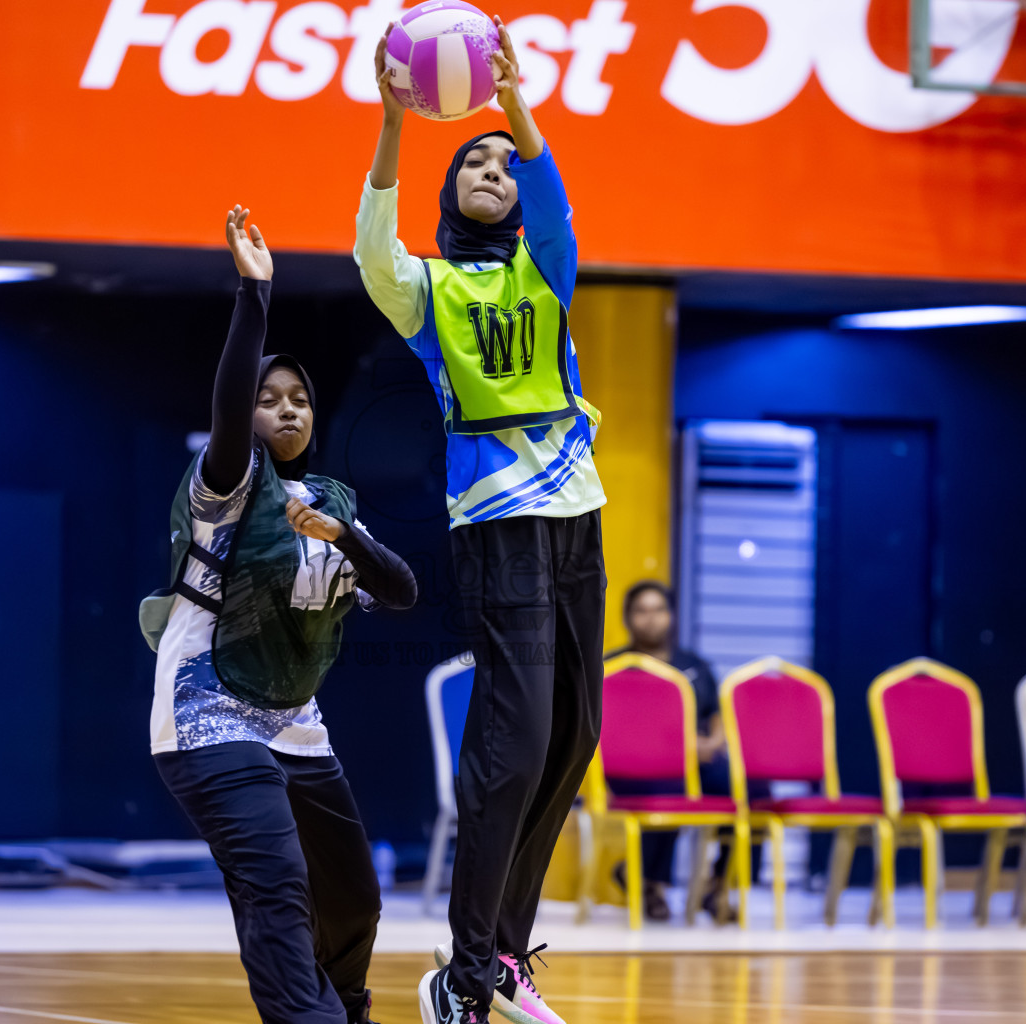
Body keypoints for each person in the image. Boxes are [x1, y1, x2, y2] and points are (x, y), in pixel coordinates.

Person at [355, 18, 606, 1024]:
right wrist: (391, 121)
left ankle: (502, 951)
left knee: (574, 736)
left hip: (577, 513)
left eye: (506, 162)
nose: (494, 167)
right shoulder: (429, 289)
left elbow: (554, 204)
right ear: (450, 190)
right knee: (518, 732)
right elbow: (375, 248)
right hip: (496, 521)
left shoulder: (549, 267)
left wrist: (514, 104)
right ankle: (463, 971)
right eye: (475, 162)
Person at [140, 206, 417, 1024]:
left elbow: (399, 591)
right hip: (207, 716)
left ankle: (346, 1008)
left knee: (354, 900)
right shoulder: (226, 484)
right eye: (270, 398)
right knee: (278, 888)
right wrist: (253, 296)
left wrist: (348, 539)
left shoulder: (332, 502)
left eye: (298, 399)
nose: (286, 409)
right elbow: (228, 415)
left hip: (296, 723)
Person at [604, 581, 726, 922]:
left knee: (749, 788)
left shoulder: (694, 666)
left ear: (671, 616)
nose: (651, 619)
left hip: (696, 762)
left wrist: (714, 742)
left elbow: (714, 714)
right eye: (642, 611)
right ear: (628, 618)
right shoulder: (612, 668)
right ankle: (651, 883)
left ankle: (719, 885)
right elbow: (614, 728)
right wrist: (680, 749)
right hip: (633, 766)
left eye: (658, 610)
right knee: (668, 786)